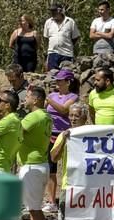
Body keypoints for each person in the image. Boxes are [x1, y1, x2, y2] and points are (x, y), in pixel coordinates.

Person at [49, 103, 102, 220]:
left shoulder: (93, 134)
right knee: (70, 217)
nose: (72, 119)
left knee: (90, 216)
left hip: (90, 184)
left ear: (85, 118)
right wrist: (64, 139)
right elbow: (53, 157)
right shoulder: (65, 134)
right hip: (69, 183)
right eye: (70, 115)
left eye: (76, 116)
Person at [18, 87, 53, 220]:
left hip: (32, 165)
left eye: (29, 97)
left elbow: (17, 132)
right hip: (39, 164)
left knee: (35, 210)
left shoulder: (33, 116)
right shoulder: (46, 116)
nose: (25, 99)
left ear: (37, 100)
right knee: (33, 208)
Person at [45, 69, 79, 212]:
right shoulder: (53, 95)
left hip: (65, 134)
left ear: (68, 82)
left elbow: (64, 110)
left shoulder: (73, 97)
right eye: (57, 80)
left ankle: (71, 198)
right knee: (50, 169)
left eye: (60, 80)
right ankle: (51, 201)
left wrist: (49, 100)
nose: (57, 83)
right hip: (50, 134)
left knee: (68, 167)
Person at [43, 3, 81, 71]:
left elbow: (75, 37)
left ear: (60, 11)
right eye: (51, 11)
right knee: (52, 76)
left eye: (54, 11)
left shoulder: (70, 21)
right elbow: (46, 38)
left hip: (66, 54)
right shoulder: (48, 22)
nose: (52, 13)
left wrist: (68, 45)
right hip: (52, 53)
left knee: (66, 75)